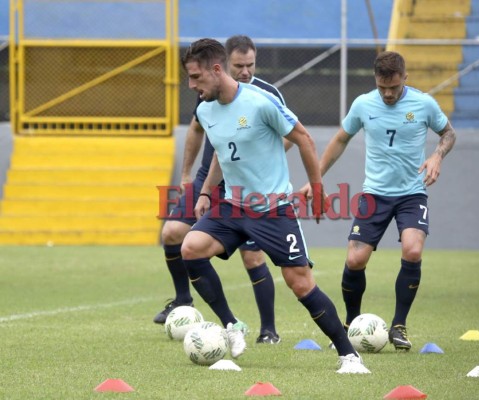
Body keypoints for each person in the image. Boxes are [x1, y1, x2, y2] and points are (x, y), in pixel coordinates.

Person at [180, 38, 368, 374]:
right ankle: (232, 324)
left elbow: (304, 139)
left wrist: (319, 188)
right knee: (190, 248)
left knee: (300, 283)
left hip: (273, 210)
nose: (192, 85)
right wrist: (207, 192)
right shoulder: (205, 109)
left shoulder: (260, 102)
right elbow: (224, 154)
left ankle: (349, 355)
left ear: (217, 70)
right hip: (233, 206)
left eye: (196, 77)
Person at [311, 51, 456, 351]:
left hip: (411, 193)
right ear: (375, 81)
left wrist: (436, 156)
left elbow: (448, 133)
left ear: (405, 78)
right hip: (374, 194)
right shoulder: (363, 104)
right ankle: (351, 322)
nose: (388, 94)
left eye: (393, 87)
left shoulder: (424, 103)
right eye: (382, 88)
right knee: (355, 260)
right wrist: (317, 177)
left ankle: (399, 325)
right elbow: (341, 138)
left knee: (413, 250)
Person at [154, 36, 287, 345]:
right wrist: (186, 175)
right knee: (172, 233)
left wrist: (265, 160)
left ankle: (269, 329)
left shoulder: (266, 94)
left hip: (246, 186)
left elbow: (292, 134)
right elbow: (197, 130)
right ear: (224, 64)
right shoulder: (209, 91)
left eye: (250, 65)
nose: (245, 71)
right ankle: (183, 299)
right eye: (239, 65)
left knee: (252, 257)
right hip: (208, 178)